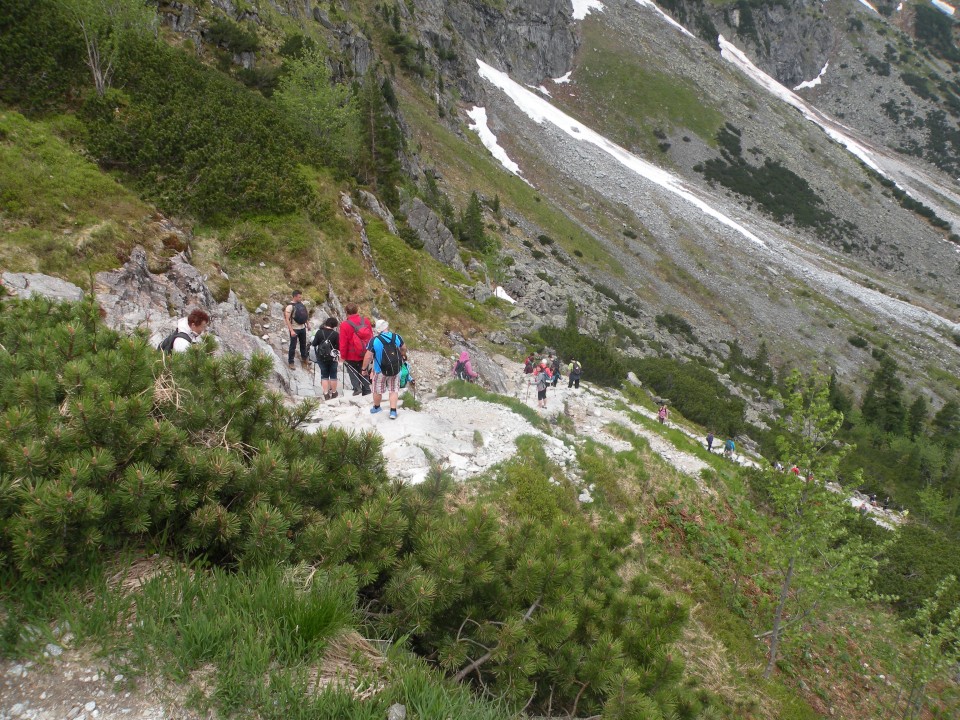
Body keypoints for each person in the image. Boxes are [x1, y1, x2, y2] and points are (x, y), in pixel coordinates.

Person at [361, 319, 407, 419]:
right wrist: (403, 355)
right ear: (387, 327)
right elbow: (403, 347)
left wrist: (364, 369)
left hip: (380, 370)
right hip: (395, 368)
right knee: (393, 390)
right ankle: (393, 411)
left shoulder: (374, 340)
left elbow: (368, 356)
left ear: (378, 330)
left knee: (377, 389)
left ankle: (377, 407)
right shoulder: (397, 337)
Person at [339, 303, 373, 396]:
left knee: (352, 371)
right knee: (364, 369)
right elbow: (371, 336)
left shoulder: (344, 325)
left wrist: (342, 356)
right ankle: (366, 389)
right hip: (365, 352)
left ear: (346, 312)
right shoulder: (365, 321)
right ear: (357, 310)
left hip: (351, 354)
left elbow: (343, 343)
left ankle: (357, 388)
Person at [311, 317, 340, 400]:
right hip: (332, 358)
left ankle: (326, 393)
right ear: (334, 325)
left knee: (324, 375)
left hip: (321, 357)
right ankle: (334, 392)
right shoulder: (336, 334)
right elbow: (338, 347)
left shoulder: (319, 332)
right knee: (333, 375)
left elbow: (314, 344)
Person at [285, 290, 311, 370]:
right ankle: (291, 362)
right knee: (293, 346)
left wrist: (308, 324)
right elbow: (287, 319)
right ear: (295, 296)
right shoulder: (289, 307)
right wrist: (291, 330)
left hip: (302, 328)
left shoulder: (301, 304)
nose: (301, 298)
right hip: (295, 329)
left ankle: (304, 358)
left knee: (303, 344)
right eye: (299, 297)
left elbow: (304, 315)